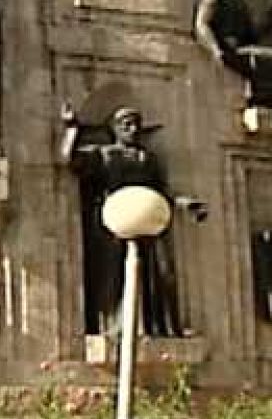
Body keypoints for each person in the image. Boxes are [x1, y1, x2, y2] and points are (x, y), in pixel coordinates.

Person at [60, 105, 183, 338]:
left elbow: (161, 191)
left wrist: (185, 203)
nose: (132, 128)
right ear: (114, 129)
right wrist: (72, 129)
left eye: (136, 123)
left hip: (146, 223)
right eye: (126, 124)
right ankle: (115, 326)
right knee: (114, 276)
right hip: (114, 224)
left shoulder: (148, 159)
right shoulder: (105, 154)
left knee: (156, 276)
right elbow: (70, 160)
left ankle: (151, 325)